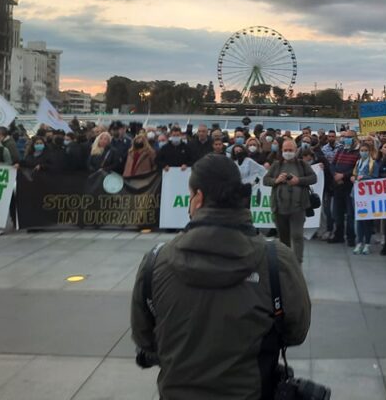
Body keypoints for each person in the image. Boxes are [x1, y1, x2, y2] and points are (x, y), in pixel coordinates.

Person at [131, 154, 310, 400]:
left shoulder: (155, 262)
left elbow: (145, 339)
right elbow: (295, 332)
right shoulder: (277, 260)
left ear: (198, 198)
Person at [263, 139, 317, 264]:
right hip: (279, 208)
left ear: (295, 150)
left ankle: (298, 264)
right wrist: (276, 180)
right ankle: (286, 264)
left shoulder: (302, 165)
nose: (288, 152)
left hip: (298, 207)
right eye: (285, 150)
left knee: (297, 236)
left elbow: (313, 178)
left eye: (290, 150)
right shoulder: (276, 165)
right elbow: (266, 180)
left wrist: (298, 180)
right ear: (281, 151)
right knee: (283, 238)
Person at [328, 130, 360, 246]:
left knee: (350, 214)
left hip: (349, 187)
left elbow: (357, 168)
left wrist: (344, 175)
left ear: (355, 138)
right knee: (337, 213)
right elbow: (332, 164)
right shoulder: (341, 150)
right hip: (338, 186)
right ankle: (339, 235)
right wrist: (335, 175)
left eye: (349, 137)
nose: (346, 139)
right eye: (345, 137)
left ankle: (350, 238)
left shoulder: (358, 152)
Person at [349, 141, 380, 255]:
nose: (363, 153)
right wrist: (353, 178)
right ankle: (359, 242)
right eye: (362, 151)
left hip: (368, 195)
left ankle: (367, 243)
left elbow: (376, 178)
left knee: (367, 220)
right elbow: (355, 175)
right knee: (359, 219)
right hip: (356, 194)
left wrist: (364, 178)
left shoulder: (373, 164)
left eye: (366, 151)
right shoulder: (358, 162)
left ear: (370, 151)